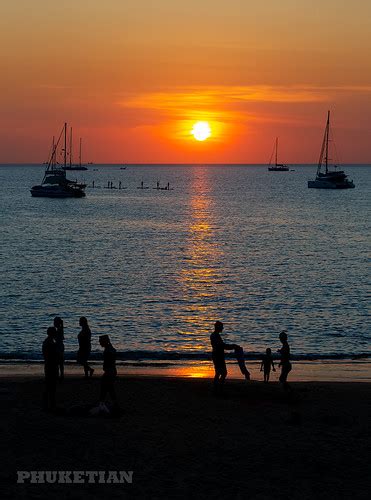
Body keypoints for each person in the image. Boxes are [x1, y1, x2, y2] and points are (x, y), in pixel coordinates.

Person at [210, 321, 238, 391]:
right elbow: (222, 346)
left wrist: (232, 346)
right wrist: (233, 346)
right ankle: (218, 387)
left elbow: (222, 345)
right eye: (221, 326)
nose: (222, 328)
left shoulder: (215, 335)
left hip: (217, 355)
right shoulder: (215, 335)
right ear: (218, 327)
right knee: (223, 372)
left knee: (219, 372)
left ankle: (217, 386)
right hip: (218, 356)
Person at [99, 335, 118, 407]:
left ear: (105, 341)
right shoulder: (110, 348)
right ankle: (112, 403)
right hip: (112, 371)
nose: (100, 343)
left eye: (100, 341)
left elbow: (107, 362)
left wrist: (105, 368)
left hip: (109, 372)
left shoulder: (108, 351)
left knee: (105, 388)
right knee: (109, 388)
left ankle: (102, 403)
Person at [42, 327, 58, 411]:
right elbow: (52, 355)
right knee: (51, 386)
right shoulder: (50, 343)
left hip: (49, 365)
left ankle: (49, 404)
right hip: (51, 365)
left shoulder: (48, 341)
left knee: (50, 385)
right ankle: (50, 404)